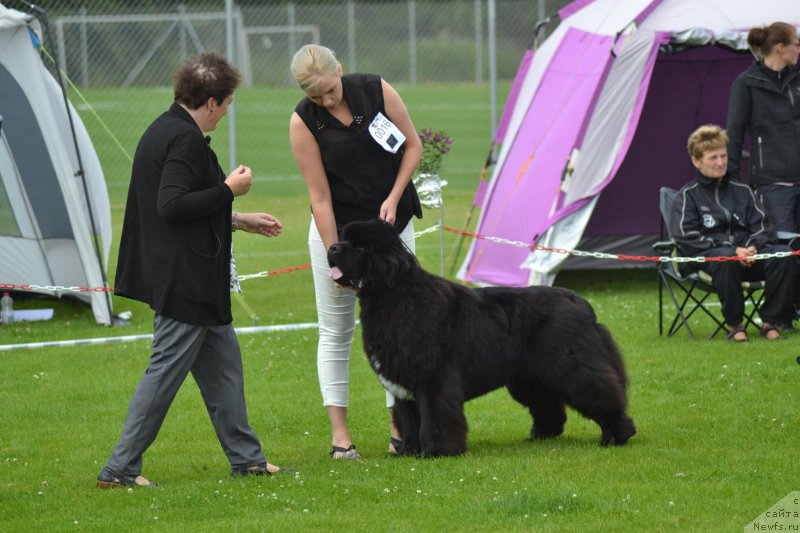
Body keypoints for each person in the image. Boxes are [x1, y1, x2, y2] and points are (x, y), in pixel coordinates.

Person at [97, 52, 288, 488]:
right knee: (164, 374)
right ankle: (119, 469)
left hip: (200, 280)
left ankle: (247, 460)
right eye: (226, 104)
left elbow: (186, 202)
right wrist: (228, 189)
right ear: (210, 103)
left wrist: (240, 217)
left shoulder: (167, 128)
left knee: (224, 369)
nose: (225, 112)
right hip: (185, 280)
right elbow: (172, 205)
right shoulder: (183, 140)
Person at [288, 44, 422, 459]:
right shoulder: (303, 122)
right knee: (336, 332)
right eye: (316, 97)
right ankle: (341, 440)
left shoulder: (376, 91)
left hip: (390, 229)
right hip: (339, 233)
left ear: (340, 72)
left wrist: (395, 197)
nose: (326, 102)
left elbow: (412, 147)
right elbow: (320, 197)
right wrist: (337, 258)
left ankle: (400, 432)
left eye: (330, 91)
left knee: (401, 327)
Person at [670, 124, 795, 343]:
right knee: (725, 257)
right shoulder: (688, 196)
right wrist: (732, 250)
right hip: (713, 261)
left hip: (750, 257)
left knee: (782, 255)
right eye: (712, 157)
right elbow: (686, 237)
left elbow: (764, 228)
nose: (720, 163)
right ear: (696, 161)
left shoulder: (744, 191)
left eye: (723, 156)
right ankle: (735, 325)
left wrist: (751, 248)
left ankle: (771, 321)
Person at [726, 22, 800, 317]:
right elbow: (734, 131)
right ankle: (779, 316)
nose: (799, 49)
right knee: (784, 247)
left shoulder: (797, 79)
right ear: (780, 47)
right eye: (796, 43)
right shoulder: (746, 83)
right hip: (772, 183)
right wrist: (730, 181)